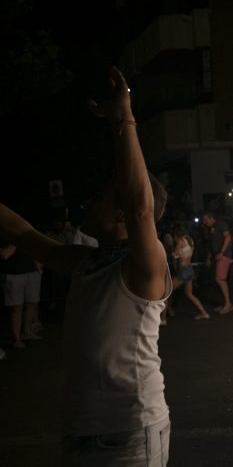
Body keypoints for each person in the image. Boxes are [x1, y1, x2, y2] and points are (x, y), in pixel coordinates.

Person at [0, 66, 172, 466]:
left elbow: (140, 207)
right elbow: (24, 234)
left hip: (128, 433)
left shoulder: (145, 265)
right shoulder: (86, 262)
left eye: (101, 196)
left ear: (121, 216)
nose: (89, 200)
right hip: (81, 430)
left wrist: (123, 120)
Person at [161, 224, 209, 322]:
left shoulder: (180, 240)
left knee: (166, 293)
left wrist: (165, 253)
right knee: (189, 294)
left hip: (183, 271)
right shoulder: (190, 240)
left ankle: (163, 319)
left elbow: (175, 255)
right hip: (190, 269)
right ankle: (204, 313)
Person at [1, 243, 43, 348]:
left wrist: (38, 267)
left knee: (32, 303)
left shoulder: (26, 234)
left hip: (31, 271)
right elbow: (5, 255)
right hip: (13, 273)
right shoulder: (5, 235)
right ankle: (17, 339)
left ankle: (27, 332)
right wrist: (17, 241)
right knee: (16, 307)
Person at [201, 211, 233, 314]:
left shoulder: (220, 224)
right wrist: (209, 258)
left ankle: (228, 305)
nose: (204, 222)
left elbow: (228, 237)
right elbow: (212, 245)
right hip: (216, 256)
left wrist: (221, 252)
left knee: (220, 279)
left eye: (206, 220)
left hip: (223, 256)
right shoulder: (210, 228)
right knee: (216, 281)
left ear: (211, 218)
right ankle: (224, 303)